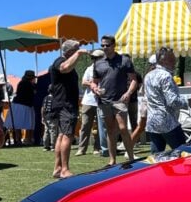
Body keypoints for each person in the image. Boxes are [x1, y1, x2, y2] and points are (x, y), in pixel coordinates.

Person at [90, 35, 136, 165]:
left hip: (120, 101)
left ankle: (131, 157)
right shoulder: (98, 63)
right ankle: (112, 160)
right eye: (102, 45)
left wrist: (128, 93)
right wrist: (95, 89)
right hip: (104, 101)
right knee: (110, 130)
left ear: (114, 45)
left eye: (107, 45)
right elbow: (94, 82)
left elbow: (133, 79)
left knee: (122, 128)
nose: (105, 47)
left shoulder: (124, 60)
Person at [50, 39, 88, 178]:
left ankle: (57, 168)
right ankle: (65, 169)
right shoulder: (59, 61)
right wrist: (78, 54)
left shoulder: (66, 62)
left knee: (61, 135)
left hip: (64, 104)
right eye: (76, 49)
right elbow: (64, 68)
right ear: (70, 51)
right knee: (67, 136)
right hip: (65, 105)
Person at [143, 46, 191, 153]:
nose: (175, 60)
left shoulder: (148, 76)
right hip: (167, 122)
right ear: (165, 60)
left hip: (152, 122)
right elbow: (172, 101)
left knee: (155, 158)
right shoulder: (166, 76)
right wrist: (187, 102)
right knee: (183, 154)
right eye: (172, 58)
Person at [77, 49, 105, 156]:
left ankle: (97, 148)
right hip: (88, 101)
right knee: (85, 125)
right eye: (93, 58)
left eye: (96, 58)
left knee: (100, 127)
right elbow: (83, 82)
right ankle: (82, 149)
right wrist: (93, 84)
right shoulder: (89, 69)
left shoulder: (106, 69)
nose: (94, 60)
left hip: (101, 101)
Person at [6, 69, 36, 145]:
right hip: (25, 105)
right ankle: (28, 139)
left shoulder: (21, 83)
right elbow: (32, 95)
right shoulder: (29, 84)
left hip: (17, 104)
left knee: (17, 124)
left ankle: (18, 140)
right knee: (28, 124)